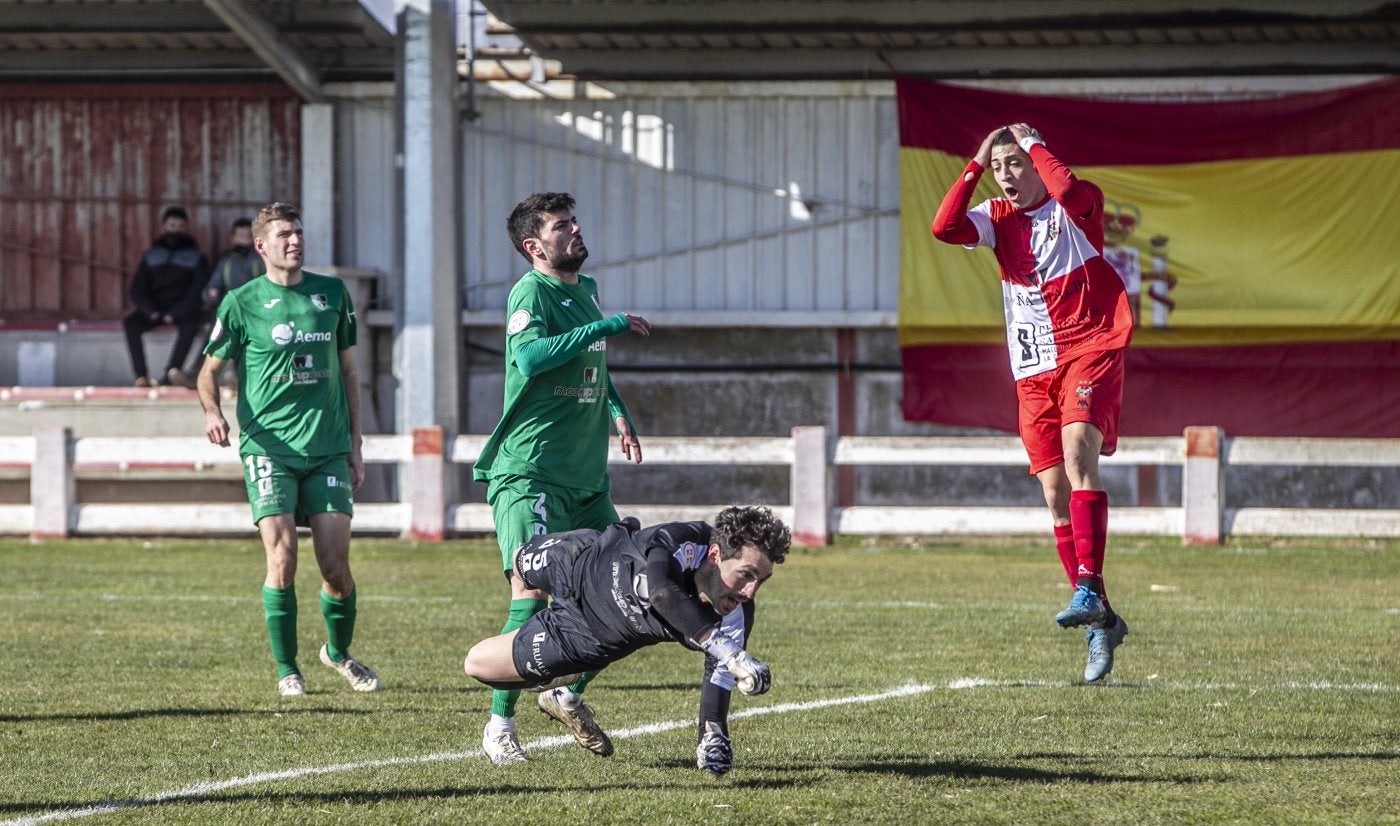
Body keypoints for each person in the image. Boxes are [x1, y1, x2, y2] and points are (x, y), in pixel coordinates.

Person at [930, 123, 1133, 683]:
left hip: (1089, 345)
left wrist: (1037, 145)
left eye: (1014, 165)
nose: (1006, 177)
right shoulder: (996, 218)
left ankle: (1088, 586)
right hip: (1033, 367)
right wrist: (974, 162)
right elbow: (943, 227)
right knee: (1052, 492)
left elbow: (1066, 191)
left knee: (1077, 455)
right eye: (999, 169)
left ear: (1038, 164)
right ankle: (1101, 619)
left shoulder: (1079, 207)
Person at [472, 191, 652, 764]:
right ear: (534, 246)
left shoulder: (587, 290)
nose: (574, 231)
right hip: (531, 474)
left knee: (631, 588)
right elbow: (530, 358)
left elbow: (591, 361)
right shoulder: (531, 292)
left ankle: (565, 693)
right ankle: (499, 725)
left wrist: (618, 409)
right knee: (531, 593)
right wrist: (615, 323)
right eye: (560, 226)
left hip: (585, 479)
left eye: (574, 221)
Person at [195, 202, 381, 698]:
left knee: (336, 569)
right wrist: (214, 412)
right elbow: (208, 371)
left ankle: (338, 654)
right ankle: (287, 669)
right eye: (283, 235)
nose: (294, 241)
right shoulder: (241, 302)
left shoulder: (332, 294)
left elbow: (348, 371)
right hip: (268, 448)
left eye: (298, 232)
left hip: (327, 449)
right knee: (283, 556)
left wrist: (355, 444)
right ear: (261, 246)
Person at [463, 505, 790, 776]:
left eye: (761, 580)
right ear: (716, 554)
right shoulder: (684, 541)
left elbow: (719, 674)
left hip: (583, 635)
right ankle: (549, 688)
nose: (750, 592)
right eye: (746, 574)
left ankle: (555, 679)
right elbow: (662, 592)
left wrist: (713, 735)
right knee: (519, 562)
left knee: (477, 664)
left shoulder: (733, 614)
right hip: (582, 556)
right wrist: (731, 653)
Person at [123, 205, 209, 388]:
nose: (175, 230)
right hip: (155, 308)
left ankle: (171, 374)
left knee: (191, 325)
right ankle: (141, 377)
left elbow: (198, 291)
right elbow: (136, 289)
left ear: (186, 229)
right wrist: (150, 310)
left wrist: (176, 312)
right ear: (163, 227)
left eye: (180, 226)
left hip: (183, 309)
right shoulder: (151, 255)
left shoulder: (196, 256)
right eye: (172, 225)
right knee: (131, 324)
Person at [186, 217, 265, 385]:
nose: (244, 238)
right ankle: (195, 376)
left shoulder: (260, 260)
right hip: (228, 310)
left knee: (246, 338)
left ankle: (239, 377)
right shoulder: (226, 261)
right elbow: (212, 285)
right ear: (233, 238)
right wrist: (211, 293)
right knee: (213, 335)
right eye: (240, 235)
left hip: (254, 309)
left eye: (247, 235)